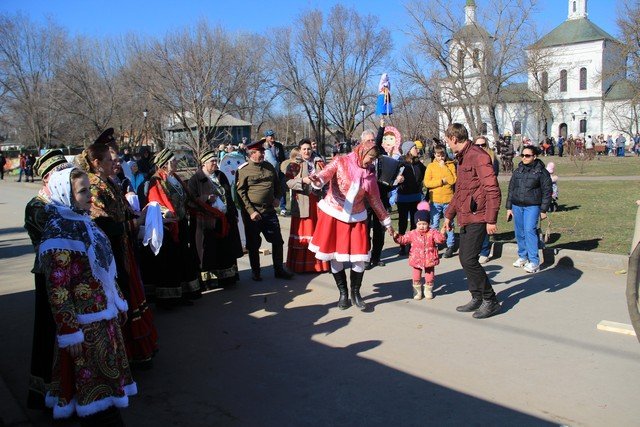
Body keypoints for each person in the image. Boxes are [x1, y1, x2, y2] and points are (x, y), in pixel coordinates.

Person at [39, 167, 136, 424]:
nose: (89, 196)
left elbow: (106, 270)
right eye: (82, 191)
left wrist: (118, 300)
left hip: (104, 319)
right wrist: (69, 330)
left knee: (108, 386)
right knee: (90, 392)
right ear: (65, 194)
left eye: (88, 189)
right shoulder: (58, 234)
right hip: (84, 329)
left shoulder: (84, 222)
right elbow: (58, 288)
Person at [77, 142, 159, 367]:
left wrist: (143, 213)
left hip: (124, 250)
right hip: (110, 255)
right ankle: (124, 355)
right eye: (110, 160)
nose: (116, 163)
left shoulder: (109, 182)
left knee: (132, 294)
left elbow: (125, 211)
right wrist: (135, 223)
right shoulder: (93, 187)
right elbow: (102, 224)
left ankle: (139, 351)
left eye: (116, 159)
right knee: (120, 296)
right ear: (96, 163)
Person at [303, 136, 395, 311]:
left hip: (356, 218)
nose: (371, 162)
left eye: (374, 160)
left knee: (359, 258)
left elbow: (375, 201)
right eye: (371, 158)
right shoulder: (341, 162)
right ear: (362, 152)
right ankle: (343, 293)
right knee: (335, 256)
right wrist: (317, 180)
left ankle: (356, 293)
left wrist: (387, 222)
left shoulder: (370, 175)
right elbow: (325, 174)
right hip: (334, 214)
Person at [24, 149, 73, 410]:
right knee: (48, 332)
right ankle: (45, 391)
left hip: (69, 276)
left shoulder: (63, 204)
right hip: (47, 275)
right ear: (48, 179)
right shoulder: (37, 206)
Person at [443, 123, 502, 319]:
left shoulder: (478, 156)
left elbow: (493, 189)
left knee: (468, 259)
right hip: (466, 215)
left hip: (479, 215)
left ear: (454, 138)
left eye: (447, 140)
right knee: (465, 259)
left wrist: (491, 219)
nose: (447, 144)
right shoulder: (462, 158)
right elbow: (461, 191)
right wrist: (449, 215)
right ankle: (477, 297)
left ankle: (490, 300)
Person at [140, 148, 202, 307]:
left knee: (182, 258)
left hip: (180, 223)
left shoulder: (175, 178)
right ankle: (169, 298)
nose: (176, 162)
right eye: (172, 160)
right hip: (167, 227)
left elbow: (185, 197)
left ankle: (183, 292)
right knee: (170, 261)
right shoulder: (157, 181)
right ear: (164, 164)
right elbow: (155, 201)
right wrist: (167, 212)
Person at [236, 140, 294, 281]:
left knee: (277, 241)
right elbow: (240, 193)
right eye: (259, 152)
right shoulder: (243, 170)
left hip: (269, 211)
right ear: (251, 154)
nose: (262, 154)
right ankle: (256, 272)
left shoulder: (269, 167)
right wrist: (251, 211)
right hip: (253, 213)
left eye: (262, 151)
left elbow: (278, 184)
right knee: (253, 244)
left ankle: (279, 269)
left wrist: (277, 197)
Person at [187, 149, 243, 288]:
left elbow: (228, 195)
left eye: (215, 161)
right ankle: (210, 281)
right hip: (207, 222)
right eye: (212, 161)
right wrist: (206, 198)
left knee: (226, 249)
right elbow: (190, 201)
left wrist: (233, 213)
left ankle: (228, 278)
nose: (215, 164)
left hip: (224, 219)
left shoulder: (220, 175)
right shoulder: (195, 179)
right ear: (204, 164)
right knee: (210, 251)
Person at [285, 139, 330, 273]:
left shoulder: (319, 162)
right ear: (300, 150)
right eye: (304, 149)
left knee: (318, 232)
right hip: (302, 202)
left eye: (309, 149)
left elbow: (328, 178)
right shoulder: (294, 164)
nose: (307, 151)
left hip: (317, 202)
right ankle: (301, 265)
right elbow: (287, 182)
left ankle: (319, 265)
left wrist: (321, 183)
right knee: (305, 233)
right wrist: (303, 181)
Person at [506, 146, 552, 274]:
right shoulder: (518, 171)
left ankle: (534, 261)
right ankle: (523, 256)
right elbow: (511, 189)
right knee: (519, 232)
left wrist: (543, 209)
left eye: (527, 155)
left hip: (532, 206)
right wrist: (509, 207)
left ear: (534, 157)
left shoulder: (541, 172)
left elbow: (547, 191)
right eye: (523, 155)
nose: (524, 158)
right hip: (517, 205)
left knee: (529, 230)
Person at [393, 202, 445, 300]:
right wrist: (396, 237)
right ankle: (417, 291)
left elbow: (439, 240)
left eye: (424, 224)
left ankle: (428, 290)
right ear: (416, 224)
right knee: (416, 276)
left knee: (430, 277)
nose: (422, 226)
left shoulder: (432, 232)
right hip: (416, 259)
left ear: (428, 224)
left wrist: (442, 234)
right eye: (419, 224)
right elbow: (403, 240)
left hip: (429, 259)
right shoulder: (412, 233)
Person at [424, 145, 457, 258]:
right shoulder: (431, 166)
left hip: (448, 199)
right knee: (434, 223)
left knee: (449, 223)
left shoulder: (450, 165)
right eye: (438, 155)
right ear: (435, 155)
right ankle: (434, 243)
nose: (441, 158)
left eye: (442, 155)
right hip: (435, 200)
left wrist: (444, 167)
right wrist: (441, 182)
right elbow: (427, 183)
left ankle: (450, 245)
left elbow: (452, 180)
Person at [475, 136, 498, 263]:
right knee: (476, 223)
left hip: (487, 195)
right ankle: (476, 249)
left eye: (482, 145)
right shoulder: (471, 157)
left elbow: (493, 178)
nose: (480, 148)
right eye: (477, 145)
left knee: (485, 222)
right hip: (474, 196)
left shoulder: (492, 158)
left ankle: (484, 251)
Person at [263, 129, 288, 216]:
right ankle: (271, 207)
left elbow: (283, 157)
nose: (272, 137)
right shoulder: (264, 147)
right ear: (266, 137)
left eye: (273, 135)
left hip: (280, 169)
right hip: (269, 171)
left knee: (282, 187)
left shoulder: (279, 145)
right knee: (270, 189)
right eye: (270, 136)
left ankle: (283, 208)